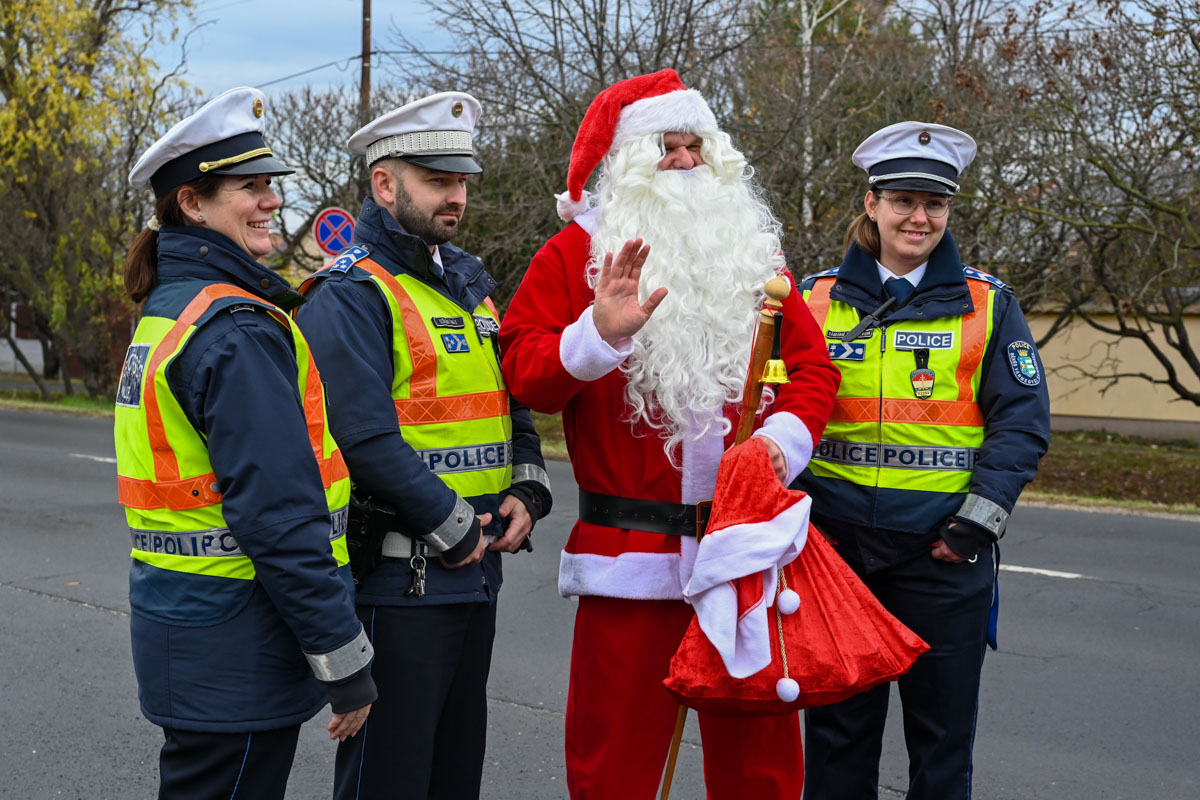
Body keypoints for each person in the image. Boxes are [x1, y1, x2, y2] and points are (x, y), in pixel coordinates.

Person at [498, 69, 841, 798]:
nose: (686, 161)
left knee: (762, 769)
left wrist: (777, 445)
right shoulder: (573, 256)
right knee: (615, 765)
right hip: (630, 560)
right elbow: (526, 373)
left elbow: (815, 375)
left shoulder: (753, 259)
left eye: (696, 147)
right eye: (666, 147)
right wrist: (597, 333)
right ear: (626, 166)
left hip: (745, 554)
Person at [115, 87, 376, 800]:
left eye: (271, 186)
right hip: (239, 644)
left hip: (190, 628)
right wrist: (343, 660)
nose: (270, 202)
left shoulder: (174, 309)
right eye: (249, 189)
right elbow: (280, 516)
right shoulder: (234, 328)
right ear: (193, 205)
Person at [294, 91, 553, 800]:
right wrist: (456, 522)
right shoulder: (350, 293)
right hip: (400, 587)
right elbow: (362, 435)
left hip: (474, 578)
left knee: (451, 777)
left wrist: (528, 489)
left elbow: (508, 406)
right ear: (385, 184)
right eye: (439, 181)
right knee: (391, 781)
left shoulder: (467, 284)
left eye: (462, 181)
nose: (457, 197)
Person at [794, 121, 1052, 799]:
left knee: (941, 748)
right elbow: (776, 414)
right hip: (838, 557)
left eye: (934, 204)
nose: (919, 217)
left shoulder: (989, 305)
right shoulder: (810, 299)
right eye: (904, 199)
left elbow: (1021, 424)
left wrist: (976, 523)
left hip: (944, 556)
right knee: (835, 742)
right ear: (872, 202)